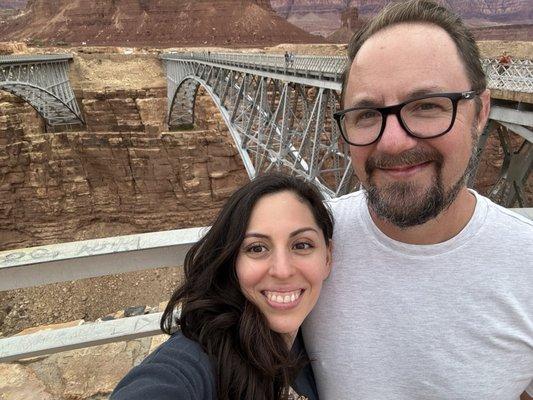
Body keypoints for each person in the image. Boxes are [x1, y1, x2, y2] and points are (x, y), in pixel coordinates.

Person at [304, 0, 533, 399]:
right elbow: (212, 339)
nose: (392, 142)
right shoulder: (307, 245)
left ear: (481, 112)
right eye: (367, 114)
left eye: (427, 105)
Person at [111, 173, 333, 400]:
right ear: (232, 262)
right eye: (257, 248)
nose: (283, 270)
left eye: (302, 245)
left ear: (328, 257)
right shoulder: (200, 358)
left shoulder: (320, 343)